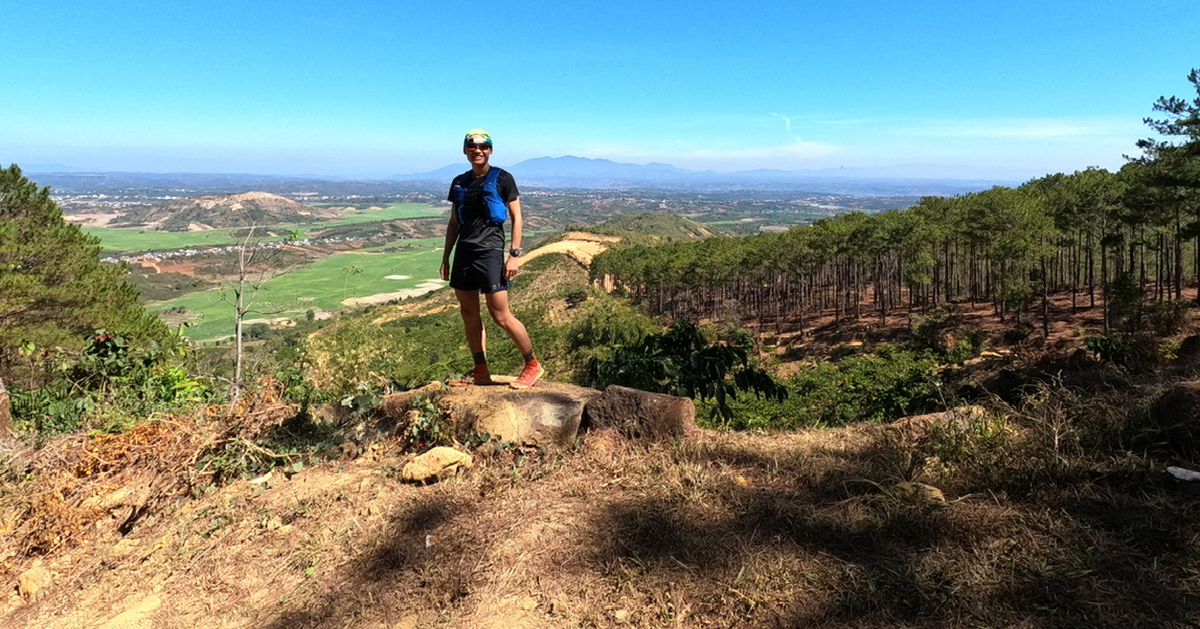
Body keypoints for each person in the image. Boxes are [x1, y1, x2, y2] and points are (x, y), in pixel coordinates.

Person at [440, 129, 543, 389]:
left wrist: (514, 254)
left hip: (490, 253)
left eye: (483, 146)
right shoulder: (459, 182)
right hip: (464, 252)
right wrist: (446, 257)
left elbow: (517, 217)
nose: (478, 150)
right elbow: (454, 222)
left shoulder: (503, 178)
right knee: (469, 313)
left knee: (501, 315)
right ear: (465, 151)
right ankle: (481, 370)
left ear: (491, 150)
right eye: (472, 146)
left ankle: (532, 364)